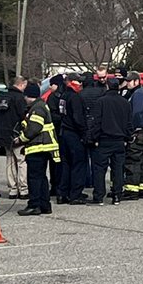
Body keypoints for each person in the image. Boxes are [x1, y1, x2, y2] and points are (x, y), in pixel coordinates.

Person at [17, 82, 59, 215]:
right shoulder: (40, 105)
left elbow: (34, 128)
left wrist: (21, 139)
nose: (24, 98)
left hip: (38, 147)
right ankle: (44, 205)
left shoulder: (37, 108)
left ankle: (34, 204)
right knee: (41, 178)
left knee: (34, 178)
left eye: (26, 96)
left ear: (30, 96)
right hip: (43, 147)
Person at [87, 76, 129, 204]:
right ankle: (117, 195)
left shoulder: (101, 102)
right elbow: (128, 122)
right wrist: (127, 137)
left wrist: (93, 138)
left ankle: (99, 196)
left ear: (107, 86)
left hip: (104, 140)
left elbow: (96, 122)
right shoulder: (125, 102)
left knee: (99, 169)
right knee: (118, 169)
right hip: (119, 140)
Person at [54, 75, 88, 204]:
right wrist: (84, 132)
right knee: (78, 164)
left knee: (66, 164)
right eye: (78, 82)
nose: (80, 84)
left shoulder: (63, 96)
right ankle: (75, 194)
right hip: (74, 134)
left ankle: (62, 193)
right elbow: (78, 118)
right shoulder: (75, 97)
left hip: (64, 133)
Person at [0, 76, 29, 199]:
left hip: (4, 134)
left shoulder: (2, 97)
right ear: (21, 84)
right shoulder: (19, 98)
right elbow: (23, 115)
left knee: (9, 161)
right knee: (21, 161)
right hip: (17, 134)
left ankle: (13, 189)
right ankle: (23, 189)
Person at [122, 71, 143, 199]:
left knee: (132, 162)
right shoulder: (142, 93)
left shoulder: (138, 95)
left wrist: (130, 130)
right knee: (142, 162)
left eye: (129, 81)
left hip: (138, 133)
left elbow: (137, 114)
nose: (127, 83)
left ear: (136, 81)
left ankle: (132, 190)